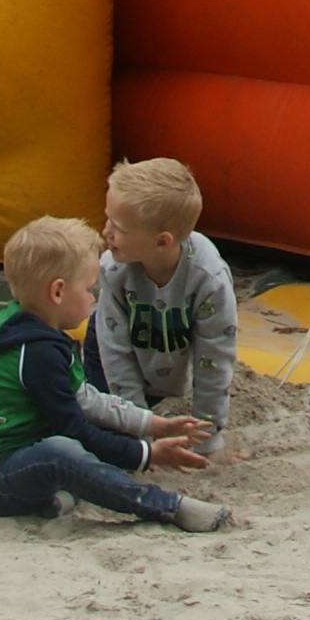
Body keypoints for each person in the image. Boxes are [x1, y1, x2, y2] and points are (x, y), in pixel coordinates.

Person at [0, 216, 230, 531]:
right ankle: (165, 506)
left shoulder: (39, 333)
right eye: (87, 289)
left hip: (21, 458)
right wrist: (147, 453)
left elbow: (88, 400)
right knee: (64, 451)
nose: (93, 297)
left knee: (82, 449)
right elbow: (74, 429)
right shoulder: (36, 352)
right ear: (57, 292)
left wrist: (154, 423)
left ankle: (61, 497)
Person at [93, 157, 242, 447]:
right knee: (102, 431)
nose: (105, 231)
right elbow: (115, 354)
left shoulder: (208, 278)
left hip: (165, 357)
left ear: (162, 242)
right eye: (107, 217)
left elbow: (214, 359)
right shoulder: (114, 269)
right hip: (113, 348)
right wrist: (142, 435)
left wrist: (208, 440)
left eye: (119, 228)